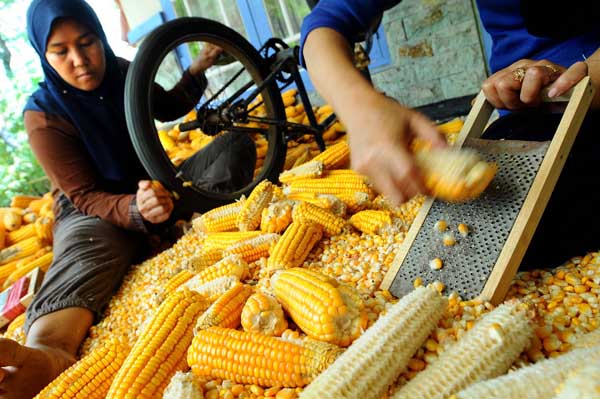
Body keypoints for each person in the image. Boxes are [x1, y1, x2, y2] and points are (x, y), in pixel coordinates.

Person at [0, 1, 254, 397]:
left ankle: (160, 229)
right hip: (94, 209)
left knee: (234, 146)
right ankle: (49, 350)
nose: (80, 60)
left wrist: (197, 69)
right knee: (88, 252)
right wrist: (134, 211)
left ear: (100, 38)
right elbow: (84, 195)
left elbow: (167, 105)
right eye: (61, 51)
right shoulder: (43, 116)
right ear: (43, 56)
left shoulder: (120, 71)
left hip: (155, 184)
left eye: (87, 43)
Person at [300, 0, 600, 267]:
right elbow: (323, 27)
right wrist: (358, 108)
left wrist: (589, 76)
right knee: (486, 221)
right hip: (525, 111)